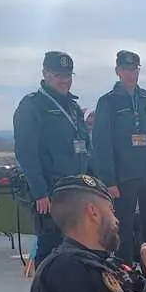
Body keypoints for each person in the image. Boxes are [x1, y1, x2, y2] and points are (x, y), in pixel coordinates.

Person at [90, 50, 146, 265]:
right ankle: (125, 270)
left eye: (135, 70)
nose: (132, 74)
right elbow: (102, 144)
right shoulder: (108, 102)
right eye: (127, 70)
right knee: (123, 228)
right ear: (118, 71)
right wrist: (109, 181)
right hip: (124, 178)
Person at [13, 51, 92, 268]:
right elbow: (26, 153)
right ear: (45, 74)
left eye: (68, 75)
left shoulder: (73, 107)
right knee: (50, 250)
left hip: (76, 191)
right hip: (51, 193)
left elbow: (85, 148)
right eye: (59, 75)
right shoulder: (32, 106)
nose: (65, 80)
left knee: (75, 249)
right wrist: (40, 192)